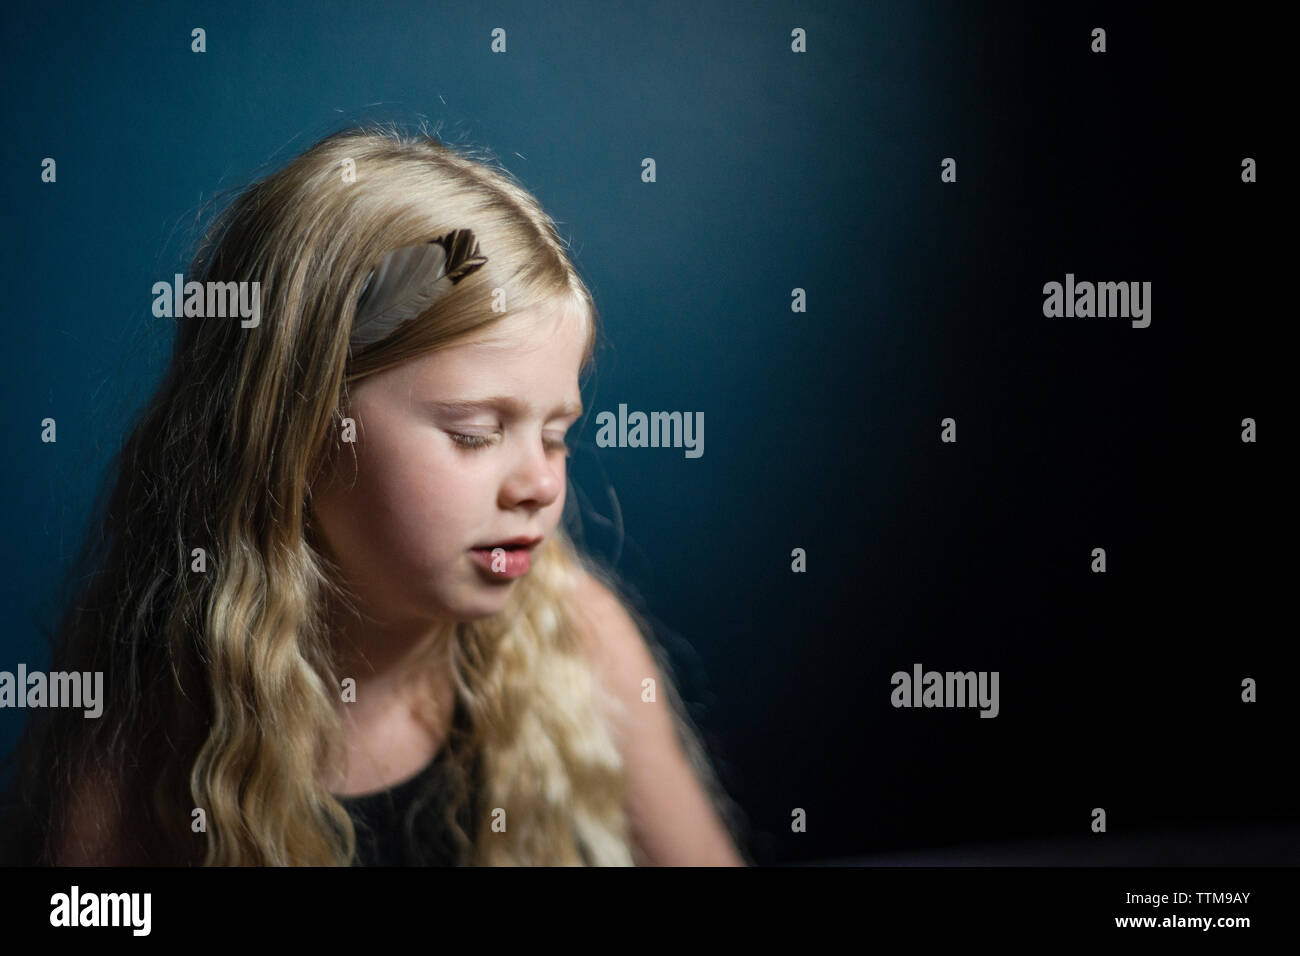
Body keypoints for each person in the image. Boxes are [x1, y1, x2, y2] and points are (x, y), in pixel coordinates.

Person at [1, 126, 749, 866]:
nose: (542, 485)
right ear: (297, 431)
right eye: (475, 433)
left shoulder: (579, 640)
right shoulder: (151, 731)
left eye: (557, 435)